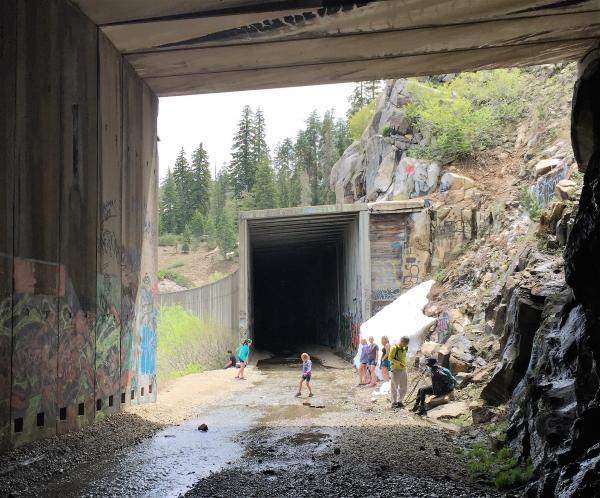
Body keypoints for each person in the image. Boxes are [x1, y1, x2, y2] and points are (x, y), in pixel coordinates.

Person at [389, 336, 410, 408]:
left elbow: (403, 357)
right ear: (402, 341)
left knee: (404, 385)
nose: (406, 345)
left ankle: (400, 401)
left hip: (403, 369)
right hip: (395, 369)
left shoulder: (405, 348)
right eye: (405, 343)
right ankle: (394, 402)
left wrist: (404, 364)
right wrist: (399, 363)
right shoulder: (394, 348)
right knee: (394, 386)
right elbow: (390, 358)